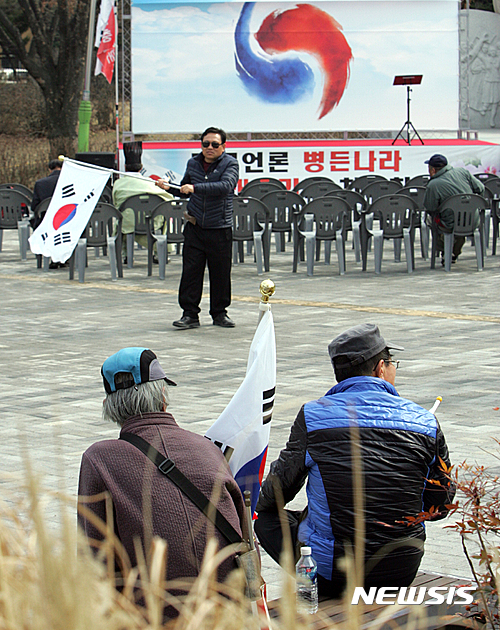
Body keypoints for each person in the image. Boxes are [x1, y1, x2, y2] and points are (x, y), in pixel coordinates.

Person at [255, 323, 455, 600]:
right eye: (392, 363)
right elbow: (441, 505)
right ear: (380, 368)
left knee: (266, 519)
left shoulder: (313, 416)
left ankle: (311, 581)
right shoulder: (424, 421)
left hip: (334, 575)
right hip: (401, 569)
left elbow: (276, 492)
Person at [78, 347, 245, 614]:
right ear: (163, 397)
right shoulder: (207, 448)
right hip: (229, 611)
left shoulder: (99, 458)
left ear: (109, 406)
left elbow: (95, 560)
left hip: (155, 614)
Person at [156, 127, 239, 330]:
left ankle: (220, 313)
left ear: (223, 147)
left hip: (219, 227)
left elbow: (225, 187)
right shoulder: (193, 163)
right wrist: (170, 187)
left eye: (214, 144)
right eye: (205, 144)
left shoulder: (230, 163)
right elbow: (185, 189)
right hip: (195, 227)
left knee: (220, 274)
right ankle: (189, 314)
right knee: (191, 273)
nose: (209, 148)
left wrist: (195, 188)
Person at [112, 141, 172, 257]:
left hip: (127, 224)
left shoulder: (118, 184)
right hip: (151, 223)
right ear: (141, 168)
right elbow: (169, 199)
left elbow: (116, 205)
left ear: (125, 167)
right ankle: (159, 252)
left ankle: (125, 254)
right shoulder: (150, 183)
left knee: (125, 217)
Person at [423, 154, 485, 263]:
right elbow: (480, 188)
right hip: (472, 221)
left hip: (449, 224)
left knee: (430, 220)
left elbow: (430, 208)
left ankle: (445, 250)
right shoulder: (463, 172)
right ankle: (453, 252)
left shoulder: (433, 185)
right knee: (460, 222)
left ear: (432, 170)